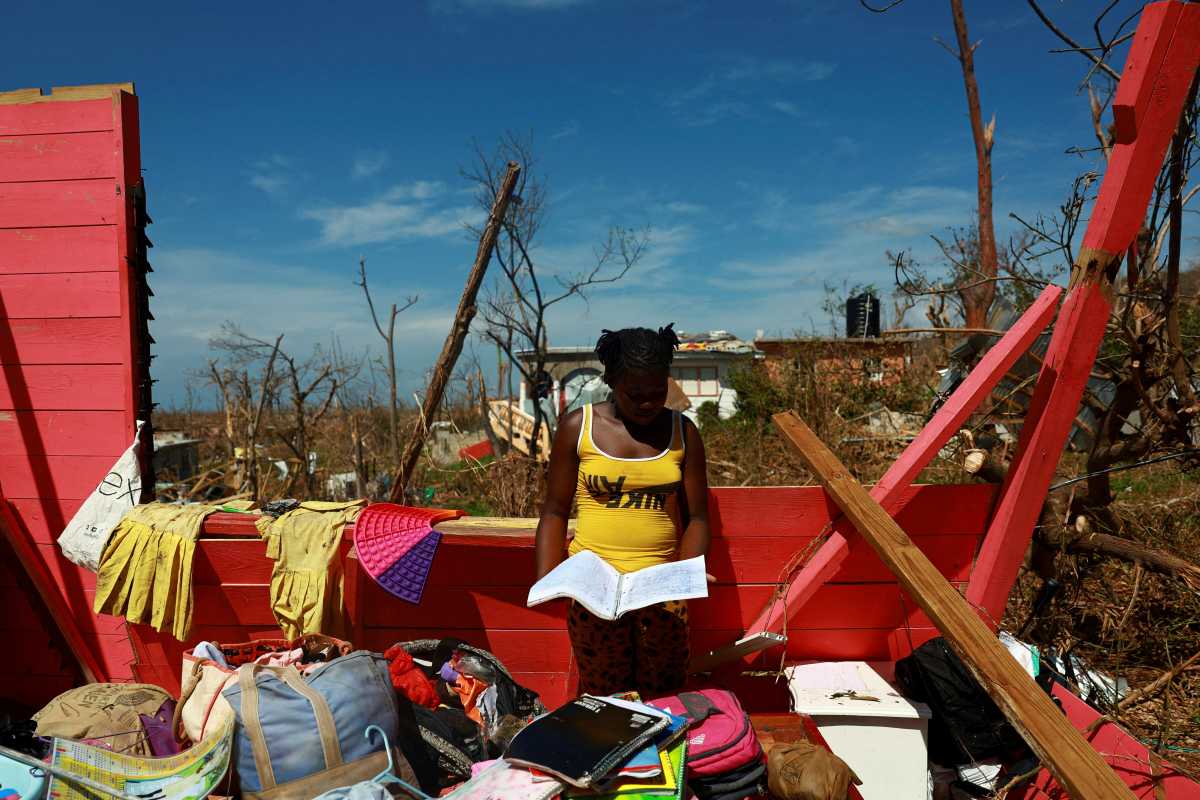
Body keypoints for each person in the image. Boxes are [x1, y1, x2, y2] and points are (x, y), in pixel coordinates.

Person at [535, 324, 710, 697]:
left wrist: (687, 574)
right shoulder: (577, 428)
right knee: (607, 700)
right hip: (593, 592)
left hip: (660, 595)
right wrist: (549, 581)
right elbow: (554, 512)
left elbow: (697, 518)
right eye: (635, 395)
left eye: (657, 392)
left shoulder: (683, 432)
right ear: (612, 380)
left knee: (665, 699)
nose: (648, 403)